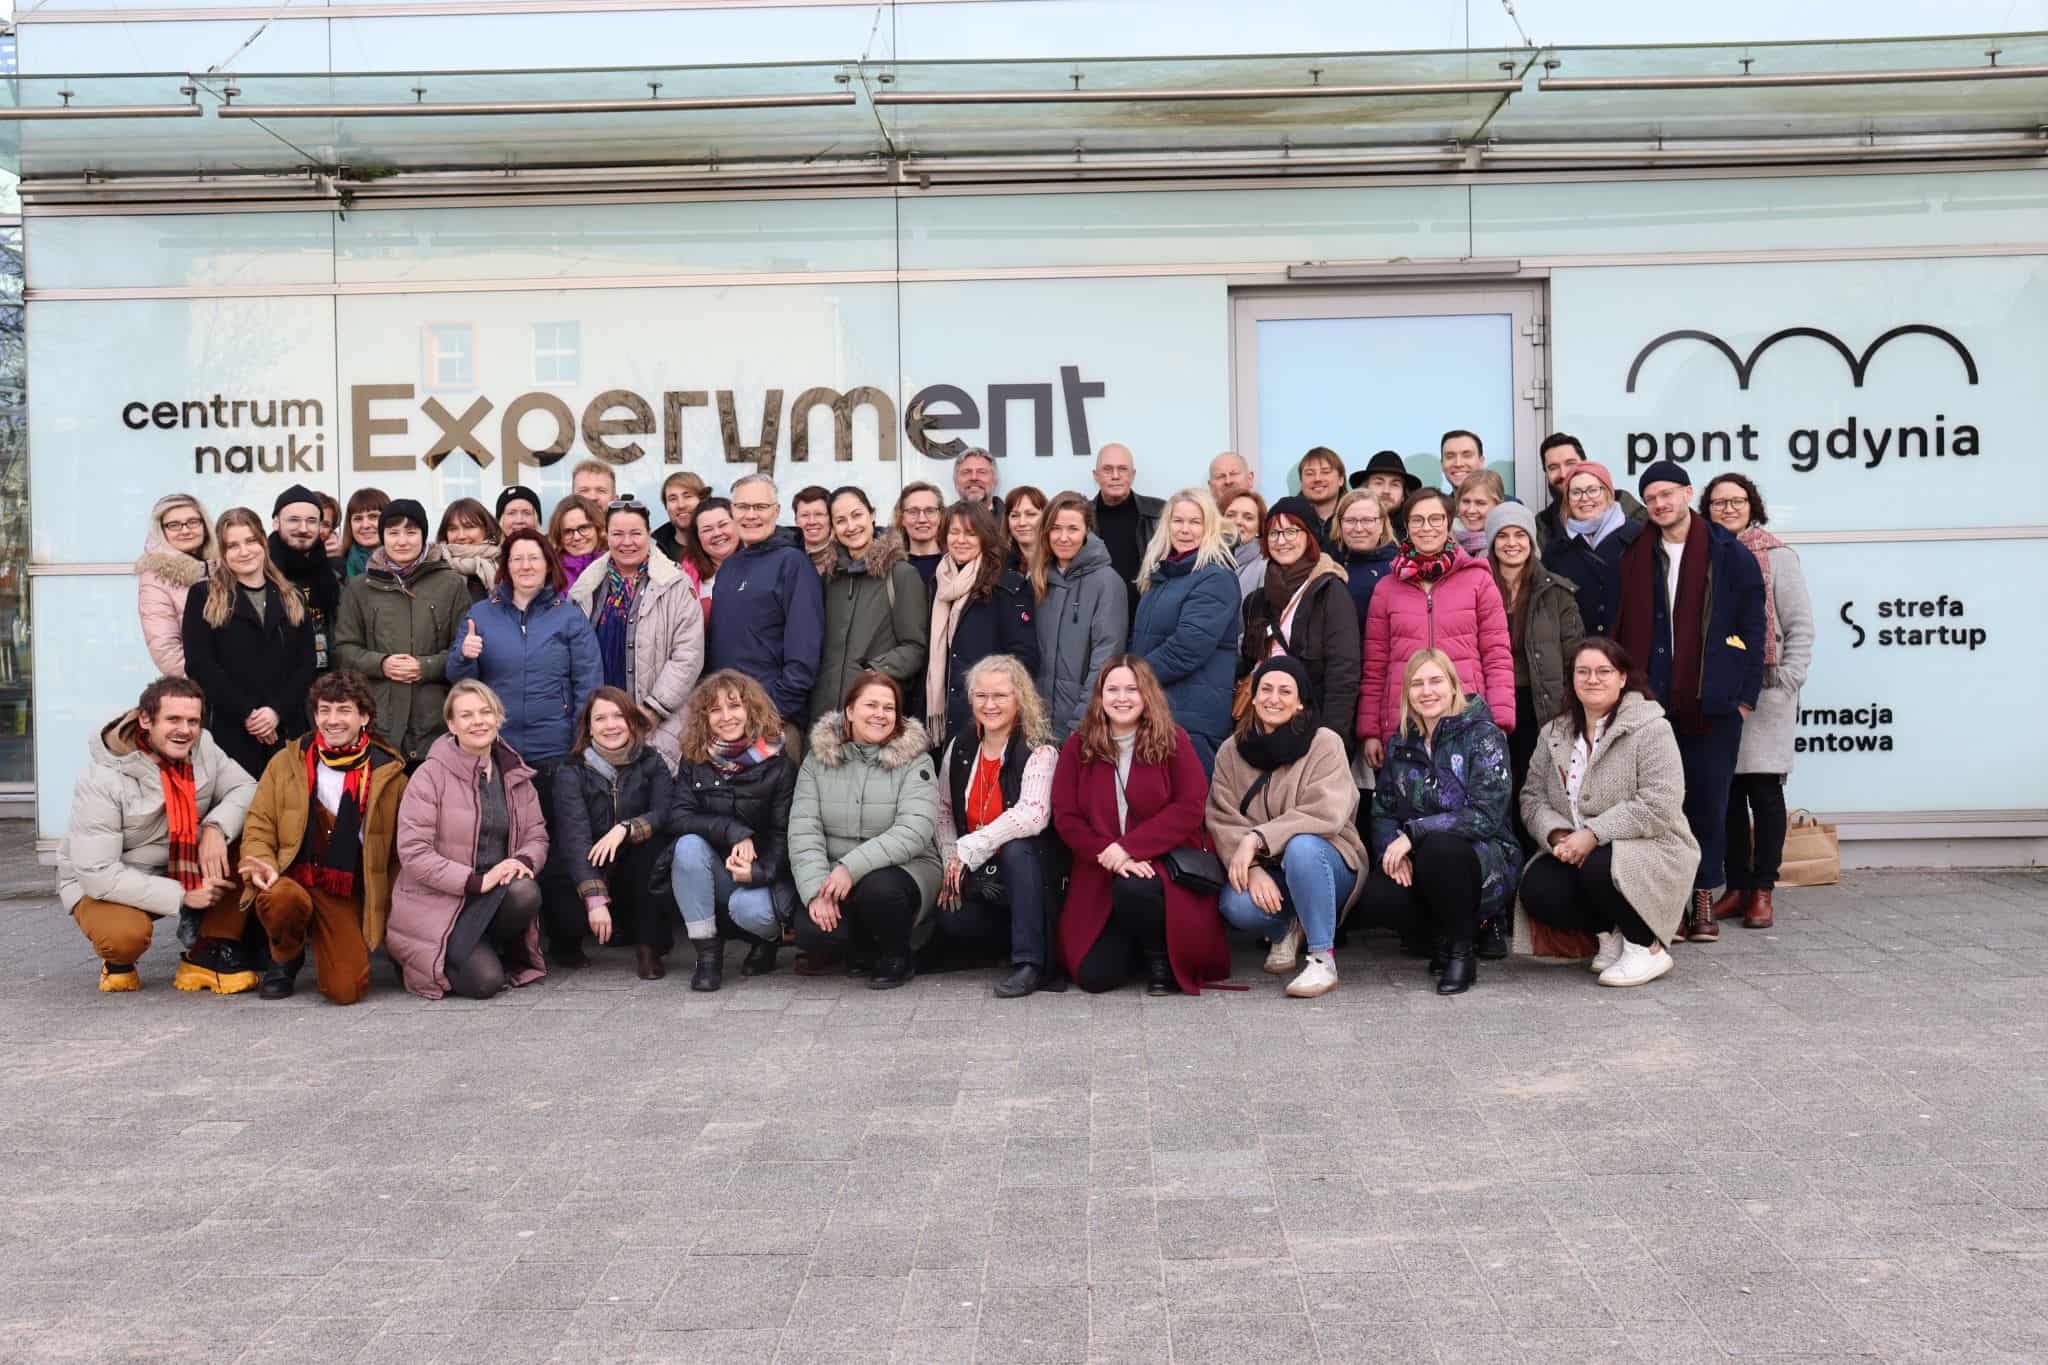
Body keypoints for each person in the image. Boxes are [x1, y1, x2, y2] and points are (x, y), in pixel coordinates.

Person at [1614, 461, 1766, 943]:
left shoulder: (1729, 552)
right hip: (1651, 702)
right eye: (1651, 498)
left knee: (1708, 804)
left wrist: (1743, 698)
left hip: (1712, 703)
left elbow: (1754, 626)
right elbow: (1618, 623)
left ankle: (1702, 898)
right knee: (1659, 805)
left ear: (1686, 493)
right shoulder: (1634, 553)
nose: (1660, 504)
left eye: (1667, 494)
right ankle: (1668, 902)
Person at [448, 528, 603, 958]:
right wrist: (464, 655)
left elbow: (588, 680)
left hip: (555, 750)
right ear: (506, 566)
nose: (526, 566)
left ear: (548, 564)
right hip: (500, 752)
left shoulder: (568, 616)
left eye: (534, 558)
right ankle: (509, 937)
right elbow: (460, 682)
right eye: (517, 558)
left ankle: (566, 936)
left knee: (558, 842)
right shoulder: (481, 613)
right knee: (503, 843)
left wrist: (576, 736)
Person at [57, 677, 258, 994]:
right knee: (125, 938)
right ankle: (118, 964)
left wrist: (216, 828)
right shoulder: (102, 778)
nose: (185, 730)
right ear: (145, 720)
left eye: (193, 721)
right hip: (105, 881)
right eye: (173, 719)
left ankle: (208, 950)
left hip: (179, 861)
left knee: (250, 838)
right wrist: (182, 896)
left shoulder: (203, 747)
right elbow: (98, 872)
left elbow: (245, 787)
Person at [1519, 638, 1698, 987]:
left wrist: (1593, 834)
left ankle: (1645, 948)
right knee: (1538, 887)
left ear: (1622, 678)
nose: (1592, 679)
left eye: (1604, 671)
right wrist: (1557, 834)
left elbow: (1660, 802)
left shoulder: (1651, 728)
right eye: (1583, 672)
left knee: (1600, 865)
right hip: (1578, 849)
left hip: (1653, 846)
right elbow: (1532, 797)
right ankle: (1609, 935)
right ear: (1572, 679)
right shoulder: (1553, 733)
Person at [1052, 657, 1228, 995]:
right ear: (1100, 696)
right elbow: (1066, 815)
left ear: (1147, 694)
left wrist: (1129, 848)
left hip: (1162, 867)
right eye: (1113, 689)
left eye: (1131, 689)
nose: (1122, 698)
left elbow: (1190, 806)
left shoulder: (1173, 740)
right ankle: (1133, 945)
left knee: (1134, 887)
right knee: (1093, 977)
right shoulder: (1079, 746)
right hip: (1101, 868)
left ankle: (1159, 958)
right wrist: (1109, 853)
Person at [237, 670, 407, 1004]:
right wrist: (263, 863)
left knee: (346, 990)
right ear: (314, 716)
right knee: (281, 900)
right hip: (292, 875)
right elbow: (259, 824)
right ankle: (286, 956)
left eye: (344, 710)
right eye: (324, 710)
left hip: (342, 886)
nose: (332, 720)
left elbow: (399, 853)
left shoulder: (389, 773)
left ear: (364, 717)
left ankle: (327, 938)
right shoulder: (286, 762)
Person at [1358, 651, 1519, 995]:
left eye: (1436, 681)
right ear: (1407, 693)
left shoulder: (1483, 735)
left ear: (1453, 686)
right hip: (1423, 857)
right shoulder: (1402, 741)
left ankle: (1462, 951)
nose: (1427, 691)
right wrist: (1392, 851)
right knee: (1377, 895)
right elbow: (1383, 809)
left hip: (1484, 856)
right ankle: (1439, 935)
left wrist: (1414, 834)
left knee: (1440, 849)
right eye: (1417, 684)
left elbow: (1486, 815)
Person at [1207, 656, 1365, 998]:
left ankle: (1322, 960)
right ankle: (1286, 928)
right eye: (1265, 689)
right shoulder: (1231, 751)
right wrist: (1251, 867)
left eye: (1285, 691)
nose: (1273, 698)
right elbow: (1221, 815)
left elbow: (1326, 811)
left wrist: (1257, 838)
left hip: (1327, 859)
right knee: (1235, 905)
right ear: (1253, 697)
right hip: (1270, 867)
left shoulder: (1324, 742)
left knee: (1301, 847)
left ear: (1300, 702)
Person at [388, 680, 549, 999]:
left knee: (525, 891)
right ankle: (426, 954)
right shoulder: (429, 776)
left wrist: (520, 861)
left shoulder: (515, 774)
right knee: (486, 983)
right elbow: (414, 853)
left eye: (485, 712)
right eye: (466, 715)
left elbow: (536, 834)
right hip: (439, 902)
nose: (478, 721)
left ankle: (481, 945)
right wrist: (477, 881)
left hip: (493, 898)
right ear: (451, 724)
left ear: (498, 717)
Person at [1704, 473, 1813, 932]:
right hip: (1721, 688)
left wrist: (1788, 678)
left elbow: (1800, 624)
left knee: (1764, 791)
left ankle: (1763, 889)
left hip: (1768, 690)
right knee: (1726, 793)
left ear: (1753, 505)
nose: (1728, 509)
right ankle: (1737, 886)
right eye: (1719, 502)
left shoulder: (1778, 555)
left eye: (1737, 500)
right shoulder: (1702, 553)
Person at [789, 673, 941, 989]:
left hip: (906, 868)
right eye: (871, 705)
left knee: (879, 891)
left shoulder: (916, 760)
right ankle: (861, 948)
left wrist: (850, 867)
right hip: (835, 873)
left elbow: (914, 830)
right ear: (849, 710)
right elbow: (804, 829)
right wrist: (817, 890)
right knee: (812, 930)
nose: (880, 714)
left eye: (889, 707)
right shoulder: (818, 759)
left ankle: (897, 956)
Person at [1359, 488, 1515, 767]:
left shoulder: (1478, 580)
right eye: (1417, 520)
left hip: (1467, 719)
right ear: (1407, 526)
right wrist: (1370, 730)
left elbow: (1497, 656)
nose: (1426, 527)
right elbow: (1375, 666)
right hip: (1404, 722)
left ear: (1448, 522)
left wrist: (1499, 721)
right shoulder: (1386, 588)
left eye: (1435, 519)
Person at [934, 655, 1060, 998]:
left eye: (1000, 696)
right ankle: (1002, 944)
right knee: (951, 920)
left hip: (1028, 872)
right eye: (981, 696)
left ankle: (1029, 962)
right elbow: (943, 810)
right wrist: (951, 859)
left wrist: (971, 846)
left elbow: (1033, 814)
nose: (989, 705)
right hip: (982, 875)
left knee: (1018, 849)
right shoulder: (961, 745)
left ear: (1020, 697)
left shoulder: (1038, 747)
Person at [669, 669, 801, 983]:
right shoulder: (695, 758)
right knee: (687, 846)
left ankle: (765, 941)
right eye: (715, 710)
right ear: (704, 717)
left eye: (734, 706)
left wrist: (759, 872)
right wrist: (734, 831)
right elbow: (678, 817)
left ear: (751, 709)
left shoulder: (780, 765)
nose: (726, 717)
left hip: (763, 875)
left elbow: (785, 835)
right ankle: (707, 955)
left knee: (749, 909)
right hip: (714, 870)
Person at [333, 498, 474, 766]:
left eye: (411, 532)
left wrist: (426, 666)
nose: (402, 541)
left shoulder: (451, 584)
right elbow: (344, 649)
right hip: (379, 721)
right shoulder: (360, 587)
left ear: (423, 535)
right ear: (383, 536)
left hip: (435, 722)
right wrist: (381, 664)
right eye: (393, 532)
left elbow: (463, 649)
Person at [182, 505, 316, 784]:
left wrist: (275, 712)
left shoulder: (292, 595)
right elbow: (200, 664)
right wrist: (249, 714)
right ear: (222, 551)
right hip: (231, 730)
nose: (244, 551)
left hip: (286, 728)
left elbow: (306, 664)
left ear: (263, 542)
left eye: (250, 541)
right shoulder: (204, 595)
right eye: (233, 545)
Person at [567, 499, 705, 768]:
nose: (627, 542)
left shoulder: (675, 585)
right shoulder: (586, 588)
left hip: (659, 723)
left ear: (649, 534)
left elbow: (688, 654)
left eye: (635, 533)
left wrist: (653, 710)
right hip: (600, 726)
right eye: (618, 534)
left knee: (653, 789)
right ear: (606, 536)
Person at [1485, 501, 1585, 868]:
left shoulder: (1556, 592)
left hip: (1540, 706)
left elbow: (1575, 656)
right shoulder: (1476, 585)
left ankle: (1534, 869)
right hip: (1489, 705)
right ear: (1491, 542)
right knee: (1493, 790)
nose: (1512, 543)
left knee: (1536, 789)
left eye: (1520, 535)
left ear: (1531, 541)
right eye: (1503, 536)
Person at [551, 688, 676, 980]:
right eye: (600, 718)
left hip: (631, 865)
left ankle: (649, 948)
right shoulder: (571, 770)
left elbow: (665, 812)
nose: (610, 725)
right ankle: (567, 943)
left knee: (654, 848)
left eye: (618, 716)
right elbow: (574, 838)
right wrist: (595, 898)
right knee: (565, 895)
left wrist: (626, 828)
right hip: (589, 862)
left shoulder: (651, 761)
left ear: (632, 721)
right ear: (588, 727)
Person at [708, 474, 825, 744]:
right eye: (742, 507)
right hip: (727, 719)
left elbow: (805, 648)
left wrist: (774, 710)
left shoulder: (793, 563)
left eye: (760, 507)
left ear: (777, 511)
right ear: (732, 511)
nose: (751, 515)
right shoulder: (729, 567)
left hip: (773, 722)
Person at [1129, 488, 1241, 770]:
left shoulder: (1215, 577)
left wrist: (1132, 678)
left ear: (1209, 527)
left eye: (1195, 522)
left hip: (1192, 720)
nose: (1185, 530)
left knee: (1189, 796)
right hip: (1159, 711)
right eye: (1178, 521)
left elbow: (1187, 647)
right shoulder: (1164, 575)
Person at [1239, 496, 1359, 747]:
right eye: (1274, 533)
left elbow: (1343, 672)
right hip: (1261, 721)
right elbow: (1246, 661)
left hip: (1310, 725)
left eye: (1291, 531)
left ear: (1310, 536)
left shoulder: (1329, 591)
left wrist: (1331, 737)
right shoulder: (1257, 600)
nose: (1281, 541)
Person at [928, 501, 1040, 750]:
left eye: (970, 533)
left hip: (987, 716)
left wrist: (992, 701)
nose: (961, 540)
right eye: (954, 532)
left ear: (985, 537)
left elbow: (1024, 658)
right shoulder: (938, 582)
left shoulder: (1007, 587)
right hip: (944, 713)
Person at [812, 486, 929, 723]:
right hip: (824, 713)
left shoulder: (901, 574)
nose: (851, 526)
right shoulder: (829, 578)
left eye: (857, 515)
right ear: (833, 527)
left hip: (874, 712)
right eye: (841, 520)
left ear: (872, 514)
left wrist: (872, 673)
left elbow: (915, 647)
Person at [1031, 491, 1129, 745]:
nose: (1063, 537)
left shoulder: (1107, 583)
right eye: (1055, 528)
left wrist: (1083, 720)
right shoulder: (1039, 579)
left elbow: (1105, 659)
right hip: (1037, 724)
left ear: (1087, 532)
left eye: (1073, 529)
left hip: (1081, 726)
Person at [1542, 462, 1643, 637]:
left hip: (1628, 647)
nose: (1584, 498)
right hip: (1577, 649)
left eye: (1593, 490)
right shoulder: (1555, 550)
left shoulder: (1638, 538)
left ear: (1608, 493)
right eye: (1576, 492)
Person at [136, 493, 213, 678]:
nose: (185, 531)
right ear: (161, 531)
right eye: (174, 525)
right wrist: (208, 681)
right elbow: (166, 651)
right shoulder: (156, 576)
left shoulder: (221, 565)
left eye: (193, 522)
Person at [269, 484, 341, 672]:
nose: (303, 528)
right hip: (277, 678)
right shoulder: (260, 572)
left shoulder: (335, 572)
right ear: (276, 523)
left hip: (326, 678)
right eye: (294, 520)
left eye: (311, 521)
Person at [1533, 434, 1645, 552]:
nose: (1563, 474)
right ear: (1546, 473)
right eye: (1553, 467)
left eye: (1570, 463)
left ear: (1585, 464)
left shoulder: (1622, 501)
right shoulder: (1544, 523)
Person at [1090, 442, 1162, 622]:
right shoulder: (1081, 518)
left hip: (1148, 619)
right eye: (1107, 469)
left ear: (1133, 474)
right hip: (1097, 621)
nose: (1115, 476)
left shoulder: (1160, 513)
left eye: (1122, 469)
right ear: (1096, 475)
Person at [1332, 488, 1397, 633]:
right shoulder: (1330, 567)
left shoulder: (1398, 570)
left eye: (1367, 520)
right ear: (1340, 524)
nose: (1358, 528)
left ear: (1381, 524)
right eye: (1350, 521)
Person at [435, 497, 503, 603]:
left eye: (469, 527)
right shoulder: (434, 567)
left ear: (486, 529)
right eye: (453, 529)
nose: (461, 536)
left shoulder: (506, 564)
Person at [891, 481, 948, 593]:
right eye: (913, 512)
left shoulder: (956, 563)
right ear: (901, 518)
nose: (922, 519)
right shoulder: (889, 568)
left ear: (940, 516)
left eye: (930, 511)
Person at [689, 496, 739, 617]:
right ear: (697, 538)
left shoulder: (764, 566)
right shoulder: (687, 578)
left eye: (723, 525)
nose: (717, 533)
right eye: (707, 530)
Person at [651, 470, 709, 572]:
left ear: (702, 500)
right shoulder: (655, 553)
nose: (681, 505)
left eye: (687, 496)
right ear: (666, 506)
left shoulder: (719, 545)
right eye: (673, 499)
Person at [1358, 449, 1421, 532]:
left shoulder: (1416, 533)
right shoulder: (1347, 529)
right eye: (1379, 483)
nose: (1386, 491)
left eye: (1394, 484)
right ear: (1365, 489)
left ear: (1403, 495)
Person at [549, 494, 607, 584]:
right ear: (559, 537)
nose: (577, 537)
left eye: (583, 528)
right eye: (568, 531)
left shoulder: (617, 566)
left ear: (598, 528)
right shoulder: (549, 573)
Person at [1223, 490, 1268, 603]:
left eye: (1248, 518)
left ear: (1259, 527)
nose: (1238, 522)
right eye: (1230, 515)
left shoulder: (1266, 568)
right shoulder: (1202, 562)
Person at [1295, 446, 1347, 542]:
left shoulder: (1356, 519)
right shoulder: (1288, 519)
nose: (1317, 479)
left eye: (1325, 472)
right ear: (1301, 481)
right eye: (1310, 473)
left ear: (1341, 479)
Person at [1452, 470, 1505, 557]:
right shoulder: (1442, 539)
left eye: (1480, 503)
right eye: (1466, 501)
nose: (1471, 510)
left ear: (1498, 506)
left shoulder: (1510, 545)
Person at [342, 487, 388, 580]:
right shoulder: (336, 568)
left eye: (373, 516)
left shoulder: (407, 565)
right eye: (358, 518)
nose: (365, 525)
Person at [1004, 485, 1048, 572]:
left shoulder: (1059, 564)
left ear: (1046, 517)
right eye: (1015, 516)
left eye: (1031, 514)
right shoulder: (1000, 565)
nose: (1022, 523)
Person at [792, 484, 834, 563]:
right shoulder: (784, 557)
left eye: (819, 514)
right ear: (796, 520)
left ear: (831, 518)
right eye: (805, 515)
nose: (812, 521)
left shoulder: (848, 555)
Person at [953, 447, 1001, 514]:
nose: (974, 477)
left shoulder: (1009, 518)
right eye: (966, 472)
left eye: (982, 472)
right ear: (955, 480)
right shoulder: (943, 519)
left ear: (995, 480)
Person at [317, 492, 344, 561]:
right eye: (313, 521)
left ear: (331, 530)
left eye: (325, 525)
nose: (319, 530)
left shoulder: (337, 562)